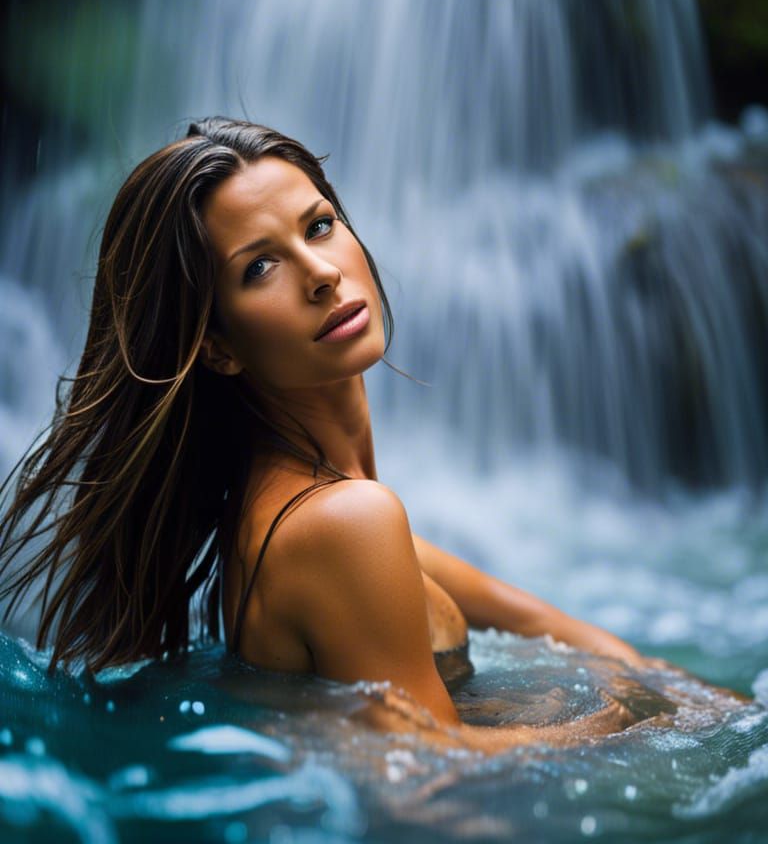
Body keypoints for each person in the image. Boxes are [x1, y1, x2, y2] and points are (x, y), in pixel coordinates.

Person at [0, 116, 656, 752]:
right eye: (260, 267)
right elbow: (431, 777)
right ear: (218, 347)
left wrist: (664, 687)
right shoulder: (346, 523)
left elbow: (542, 623)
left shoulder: (296, 509)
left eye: (319, 226)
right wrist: (632, 722)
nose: (320, 273)